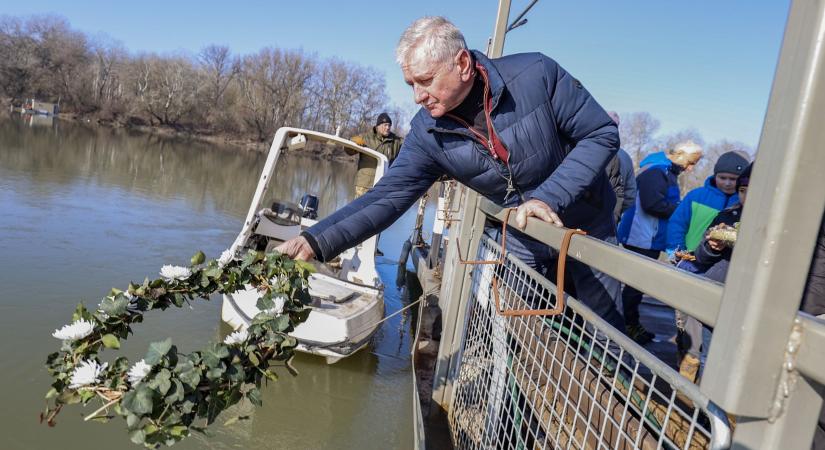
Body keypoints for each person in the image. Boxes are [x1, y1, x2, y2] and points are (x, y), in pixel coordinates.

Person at [276, 16, 625, 331]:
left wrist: (545, 198)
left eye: (424, 81)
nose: (416, 97)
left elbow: (601, 134)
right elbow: (387, 196)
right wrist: (315, 240)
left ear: (461, 64)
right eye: (411, 83)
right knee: (519, 329)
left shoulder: (536, 75)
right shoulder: (428, 133)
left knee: (604, 329)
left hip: (585, 225)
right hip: (521, 236)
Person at [616, 141, 703, 344]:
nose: (691, 168)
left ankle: (629, 323)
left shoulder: (666, 173)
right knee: (635, 285)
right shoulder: (657, 172)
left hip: (650, 238)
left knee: (637, 285)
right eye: (691, 163)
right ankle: (625, 325)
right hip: (642, 238)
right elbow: (652, 204)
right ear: (680, 156)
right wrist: (681, 211)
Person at [675, 163, 752, 382]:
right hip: (716, 297)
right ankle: (703, 408)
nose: (746, 197)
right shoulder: (727, 216)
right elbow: (701, 256)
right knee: (710, 354)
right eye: (742, 191)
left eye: (752, 191)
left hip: (744, 301)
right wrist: (711, 247)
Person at [666, 151, 749, 258]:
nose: (727, 183)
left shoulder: (744, 203)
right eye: (722, 178)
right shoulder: (696, 196)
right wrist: (676, 252)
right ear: (715, 176)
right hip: (688, 258)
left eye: (733, 179)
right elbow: (677, 224)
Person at [349, 112, 404, 197]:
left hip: (384, 186)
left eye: (389, 125)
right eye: (385, 125)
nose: (388, 128)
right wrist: (352, 142)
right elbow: (349, 151)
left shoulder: (395, 141)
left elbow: (409, 145)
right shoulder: (366, 138)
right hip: (364, 185)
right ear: (378, 126)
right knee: (360, 209)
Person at [605, 111, 637, 225]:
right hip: (609, 220)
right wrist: (616, 210)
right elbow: (630, 195)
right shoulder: (625, 157)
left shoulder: (581, 146)